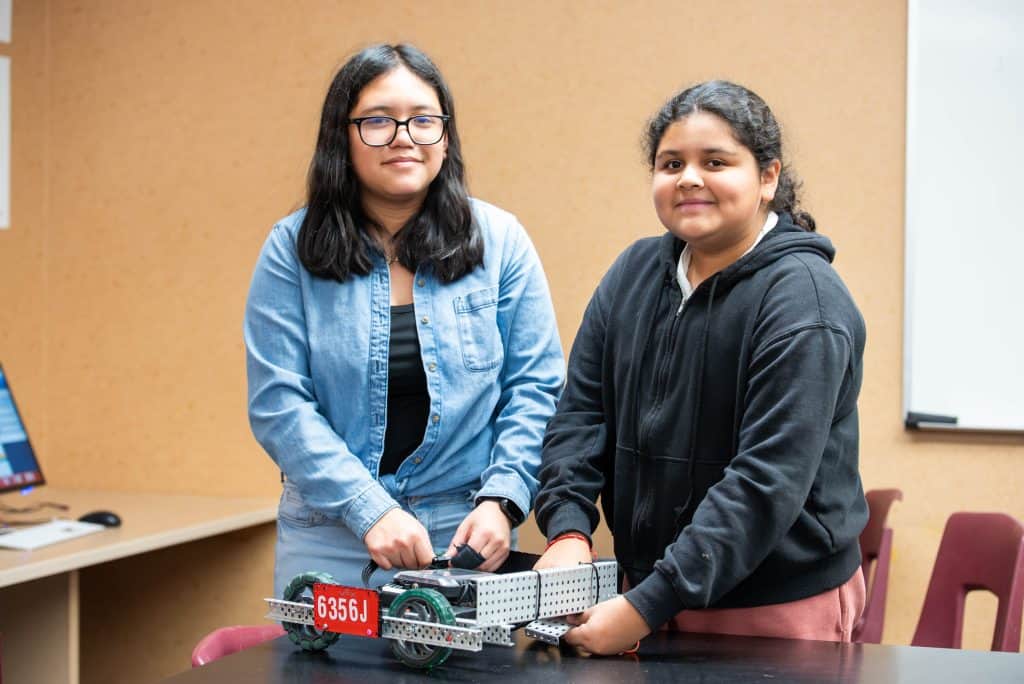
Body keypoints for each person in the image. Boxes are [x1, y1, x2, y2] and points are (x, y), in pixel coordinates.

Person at [533, 80, 868, 654]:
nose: (688, 177)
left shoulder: (806, 301)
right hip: (642, 596)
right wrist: (567, 526)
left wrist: (647, 604)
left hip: (770, 607)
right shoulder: (633, 271)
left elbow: (765, 482)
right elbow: (581, 415)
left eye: (715, 161)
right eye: (671, 163)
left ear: (767, 178)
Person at [245, 44, 564, 595]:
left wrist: (503, 500)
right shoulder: (290, 249)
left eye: (423, 119)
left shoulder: (501, 241)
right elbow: (278, 403)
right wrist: (370, 510)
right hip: (329, 530)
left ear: (445, 135)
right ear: (341, 136)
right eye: (377, 121)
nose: (402, 136)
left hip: (465, 530)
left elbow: (535, 388)